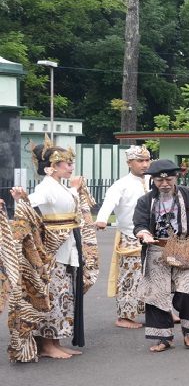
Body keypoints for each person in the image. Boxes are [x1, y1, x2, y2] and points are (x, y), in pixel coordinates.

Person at [9, 137, 99, 360]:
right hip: (54, 248)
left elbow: (76, 210)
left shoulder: (61, 186)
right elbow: (32, 203)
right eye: (67, 164)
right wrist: (21, 199)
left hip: (69, 245)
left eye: (70, 163)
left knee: (64, 296)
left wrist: (75, 190)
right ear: (52, 167)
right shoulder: (46, 187)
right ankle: (47, 344)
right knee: (53, 295)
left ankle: (56, 341)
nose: (71, 167)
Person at [133, 159, 189, 352]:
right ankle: (163, 338)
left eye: (169, 179)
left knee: (185, 291)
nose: (165, 184)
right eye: (159, 180)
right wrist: (144, 233)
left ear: (176, 177)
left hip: (183, 248)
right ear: (153, 181)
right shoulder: (145, 201)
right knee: (156, 295)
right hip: (156, 250)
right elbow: (139, 223)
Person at [96, 144, 151, 328]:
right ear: (129, 162)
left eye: (147, 160)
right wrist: (102, 219)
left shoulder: (154, 181)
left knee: (157, 276)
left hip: (154, 237)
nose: (144, 164)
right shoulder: (121, 185)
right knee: (130, 277)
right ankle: (124, 317)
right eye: (140, 160)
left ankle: (160, 311)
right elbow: (108, 203)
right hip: (130, 237)